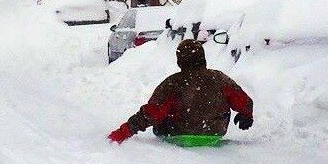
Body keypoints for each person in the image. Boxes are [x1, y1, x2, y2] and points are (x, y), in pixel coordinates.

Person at [108, 39, 253, 146]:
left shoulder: (173, 83)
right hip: (213, 133)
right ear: (203, 58)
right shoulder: (219, 79)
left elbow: (152, 112)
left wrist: (123, 132)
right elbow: (243, 100)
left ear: (179, 61)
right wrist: (246, 114)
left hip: (177, 134)